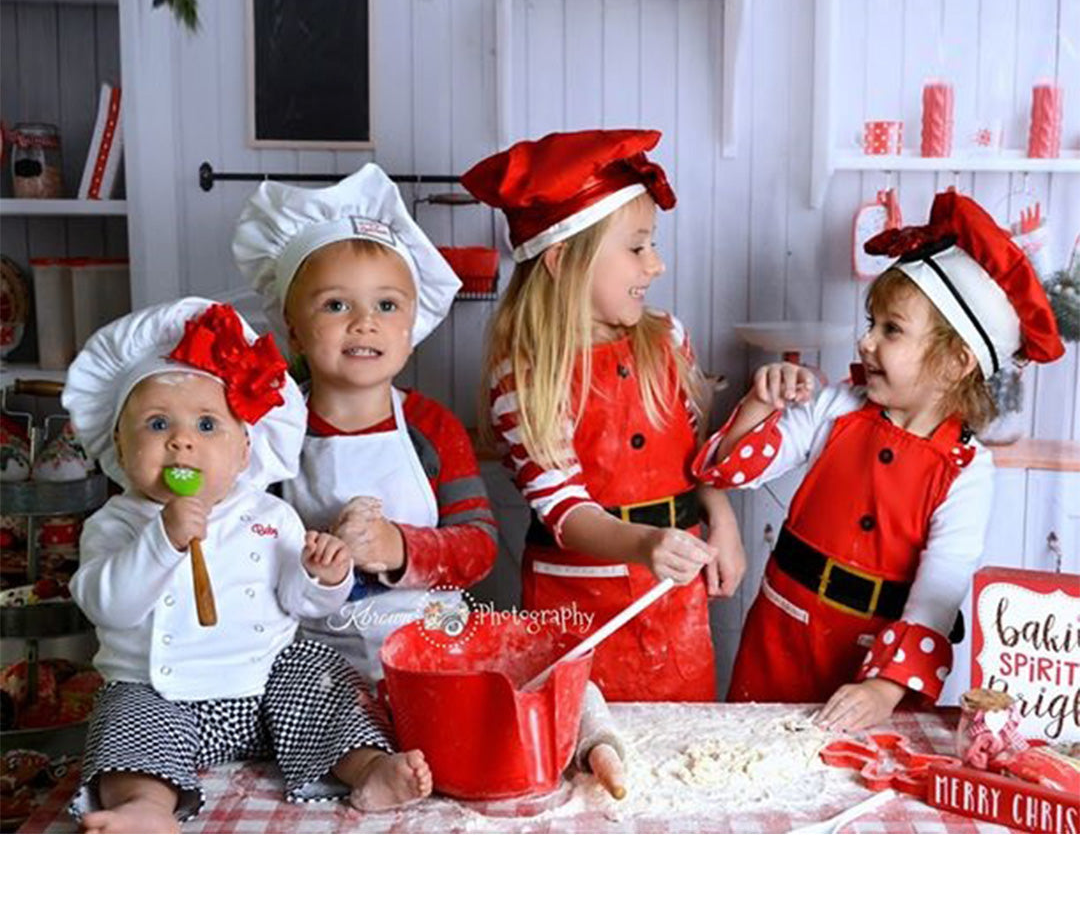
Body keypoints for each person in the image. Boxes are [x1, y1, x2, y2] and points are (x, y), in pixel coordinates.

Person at [694, 191, 1065, 730]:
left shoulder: (965, 470)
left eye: (891, 330)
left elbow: (939, 593)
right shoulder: (835, 405)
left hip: (870, 663)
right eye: (872, 323)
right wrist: (759, 402)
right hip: (779, 635)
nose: (866, 342)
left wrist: (884, 689)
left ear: (956, 362)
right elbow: (730, 469)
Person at [63, 298, 432, 832]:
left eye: (208, 425)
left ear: (244, 451)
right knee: (121, 717)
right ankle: (145, 805)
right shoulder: (115, 524)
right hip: (161, 694)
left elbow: (300, 604)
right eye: (157, 423)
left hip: (265, 688)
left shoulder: (269, 515)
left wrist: (323, 577)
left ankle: (366, 769)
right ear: (119, 447)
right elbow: (108, 606)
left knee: (321, 675)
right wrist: (162, 540)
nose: (182, 439)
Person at [462, 129, 745, 702]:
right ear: (563, 260)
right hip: (576, 604)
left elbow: (697, 457)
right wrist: (644, 545)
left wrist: (724, 520)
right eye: (637, 247)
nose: (657, 265)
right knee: (582, 751)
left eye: (653, 245)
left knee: (682, 752)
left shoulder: (667, 339)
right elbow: (564, 509)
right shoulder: (526, 375)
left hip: (674, 592)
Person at [233, 164, 498, 680]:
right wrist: (314, 563)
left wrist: (398, 547)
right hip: (312, 654)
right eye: (336, 304)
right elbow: (245, 549)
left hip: (433, 646)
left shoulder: (432, 427)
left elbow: (481, 543)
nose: (365, 322)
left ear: (410, 324)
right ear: (294, 327)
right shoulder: (270, 431)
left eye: (386, 304)